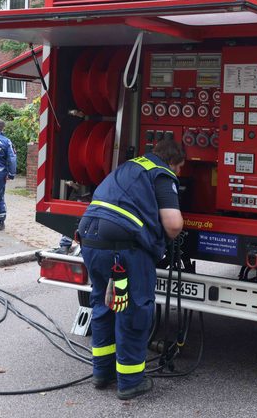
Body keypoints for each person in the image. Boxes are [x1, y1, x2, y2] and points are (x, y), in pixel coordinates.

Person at [77, 137, 185, 400]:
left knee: (104, 305)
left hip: (90, 237)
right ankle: (130, 382)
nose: (178, 173)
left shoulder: (129, 166)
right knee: (134, 310)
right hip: (124, 248)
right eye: (179, 168)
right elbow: (173, 224)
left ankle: (101, 373)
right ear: (173, 161)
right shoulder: (162, 173)